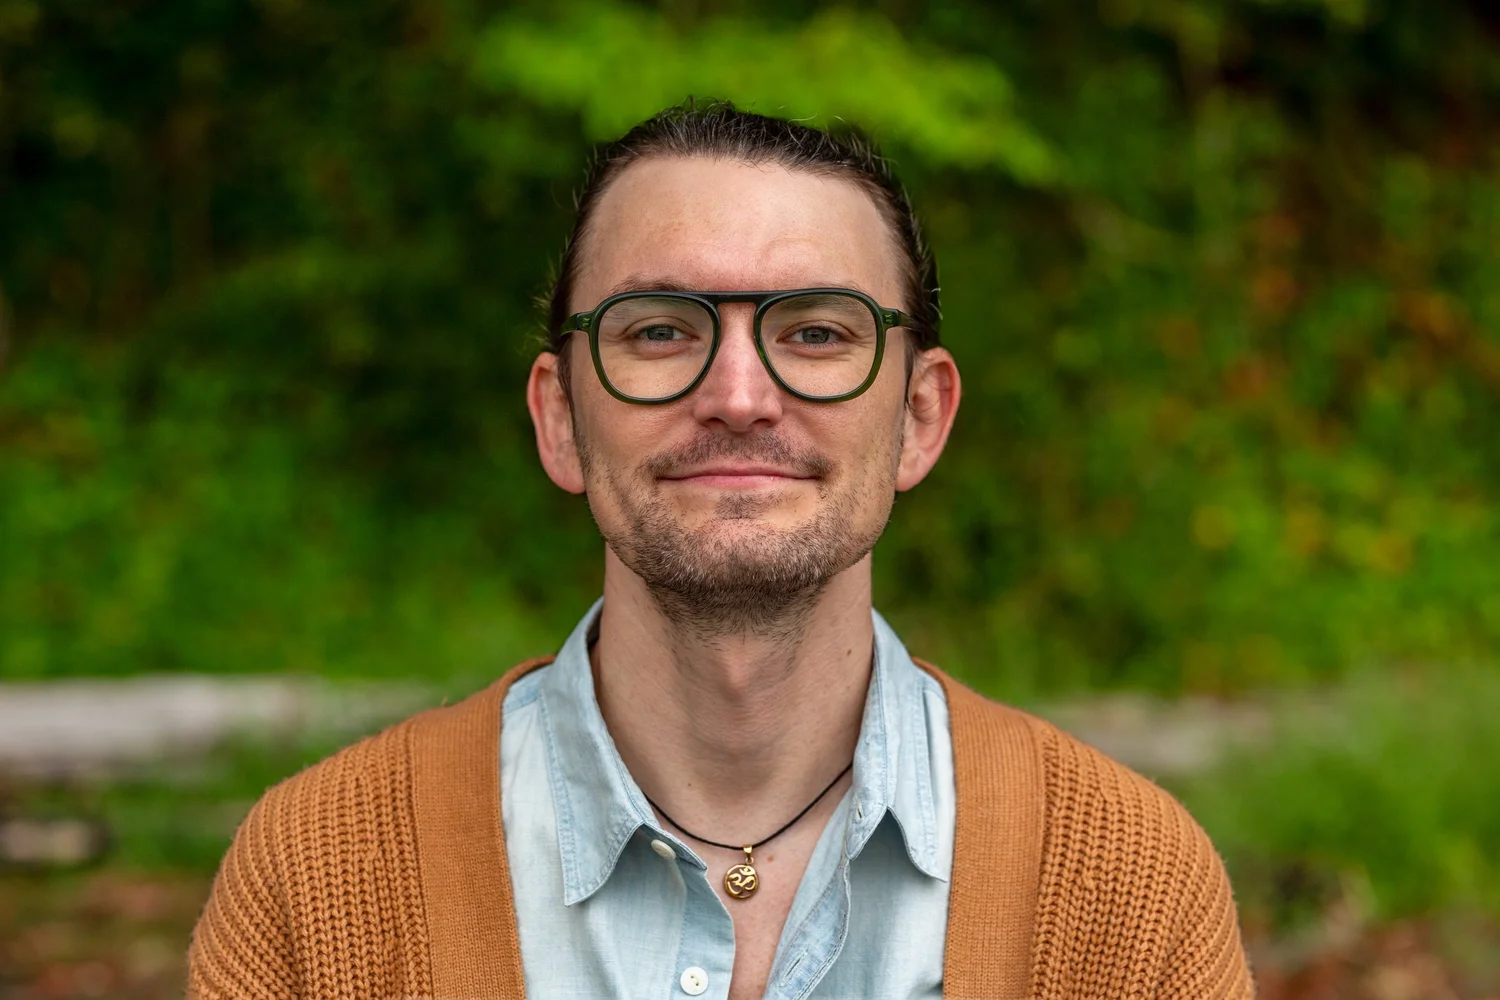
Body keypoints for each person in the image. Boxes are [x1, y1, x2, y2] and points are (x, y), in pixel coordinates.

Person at [187, 100, 1254, 1000]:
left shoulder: (1130, 888)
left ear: (920, 418)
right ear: (559, 419)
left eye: (817, 332)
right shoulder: (317, 878)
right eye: (659, 330)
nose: (739, 397)